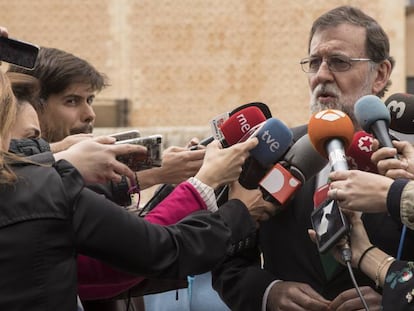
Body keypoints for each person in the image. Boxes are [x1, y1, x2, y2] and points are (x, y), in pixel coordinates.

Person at [0, 68, 272, 310]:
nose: (89, 114)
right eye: (72, 101)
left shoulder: (48, 184)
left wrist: (156, 174)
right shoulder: (47, 187)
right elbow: (151, 251)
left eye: (91, 100)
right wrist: (220, 195)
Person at [212, 5, 414, 311]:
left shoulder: (404, 163)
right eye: (314, 62)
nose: (321, 75)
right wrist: (268, 292)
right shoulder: (269, 149)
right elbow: (226, 258)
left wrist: (396, 298)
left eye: (338, 62)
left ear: (380, 74)